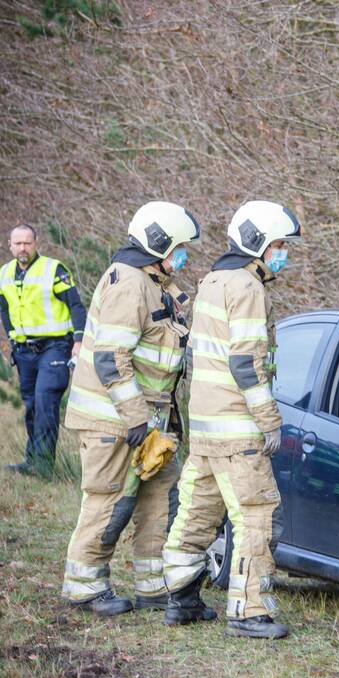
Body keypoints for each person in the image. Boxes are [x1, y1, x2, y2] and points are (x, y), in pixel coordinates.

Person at [162, 200, 300, 639]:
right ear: (258, 244)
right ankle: (249, 611)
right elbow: (246, 364)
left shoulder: (213, 281)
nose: (283, 253)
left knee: (197, 514)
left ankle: (181, 598)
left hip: (205, 425)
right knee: (257, 515)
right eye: (278, 244)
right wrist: (270, 420)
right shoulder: (247, 288)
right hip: (238, 428)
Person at [61, 202, 201, 616]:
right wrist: (136, 417)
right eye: (180, 248)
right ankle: (83, 586)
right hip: (115, 422)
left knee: (160, 498)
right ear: (159, 244)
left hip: (147, 424)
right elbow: (111, 359)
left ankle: (153, 586)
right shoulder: (127, 284)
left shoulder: (153, 283)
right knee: (109, 502)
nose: (184, 256)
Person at [0, 223, 87, 475]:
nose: (23, 248)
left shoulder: (53, 269)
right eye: (18, 243)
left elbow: (76, 306)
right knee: (31, 406)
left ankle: (44, 465)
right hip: (24, 351)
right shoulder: (4, 273)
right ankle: (32, 460)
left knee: (45, 402)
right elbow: (5, 308)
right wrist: (13, 339)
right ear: (10, 246)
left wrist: (78, 342)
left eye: (27, 242)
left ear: (36, 243)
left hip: (56, 347)